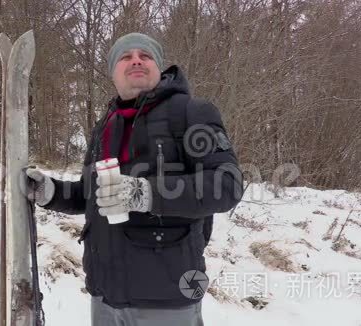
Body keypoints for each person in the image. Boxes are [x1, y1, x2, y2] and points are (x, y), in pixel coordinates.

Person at [25, 32, 243, 326]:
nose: (136, 60)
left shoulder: (191, 113)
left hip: (166, 297)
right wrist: (51, 192)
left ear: (159, 67)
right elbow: (94, 193)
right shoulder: (106, 125)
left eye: (146, 56)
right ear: (114, 71)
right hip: (105, 295)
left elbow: (227, 184)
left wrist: (146, 193)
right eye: (126, 57)